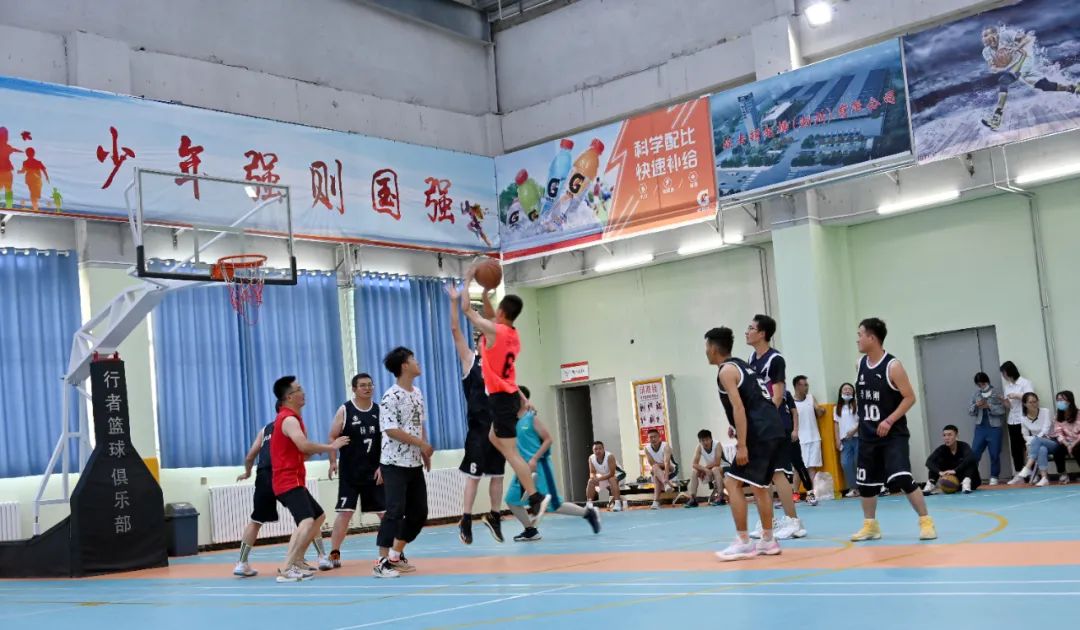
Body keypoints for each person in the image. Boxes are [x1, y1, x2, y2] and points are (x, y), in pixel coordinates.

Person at [460, 261, 550, 523]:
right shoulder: (512, 333)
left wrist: (468, 278)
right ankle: (530, 489)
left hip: (500, 399)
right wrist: (486, 293)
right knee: (494, 438)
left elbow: (467, 309)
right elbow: (492, 317)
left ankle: (535, 496)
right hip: (507, 397)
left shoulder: (495, 332)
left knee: (510, 453)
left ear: (501, 311)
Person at [850, 318, 936, 542]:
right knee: (866, 485)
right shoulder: (860, 364)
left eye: (860, 334)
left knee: (903, 479)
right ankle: (870, 526)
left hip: (892, 435)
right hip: (868, 435)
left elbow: (909, 397)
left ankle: (926, 522)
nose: (857, 339)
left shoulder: (892, 366)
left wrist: (889, 420)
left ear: (872, 338)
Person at [705, 327, 787, 561]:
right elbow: (753, 401)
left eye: (706, 347)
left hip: (759, 433)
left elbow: (739, 407)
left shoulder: (726, 371)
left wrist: (742, 445)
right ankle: (768, 540)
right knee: (760, 486)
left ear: (713, 348)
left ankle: (743, 542)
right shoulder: (742, 365)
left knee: (731, 483)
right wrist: (737, 427)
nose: (706, 352)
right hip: (774, 429)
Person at [270, 376, 350, 582]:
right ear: (289, 397)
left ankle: (297, 560)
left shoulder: (294, 419)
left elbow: (302, 451)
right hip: (287, 481)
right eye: (299, 389)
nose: (303, 392)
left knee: (318, 516)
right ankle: (286, 568)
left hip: (295, 479)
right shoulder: (288, 419)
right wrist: (331, 447)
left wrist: (308, 451)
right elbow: (304, 445)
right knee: (306, 520)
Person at [447, 283, 506, 545]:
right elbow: (455, 330)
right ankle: (466, 518)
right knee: (474, 476)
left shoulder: (500, 366)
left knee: (498, 475)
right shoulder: (471, 361)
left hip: (498, 429)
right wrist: (454, 301)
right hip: (478, 430)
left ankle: (495, 516)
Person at [505, 387, 601, 542]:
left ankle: (588, 513)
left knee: (554, 505)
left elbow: (548, 439)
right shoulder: (511, 420)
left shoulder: (531, 418)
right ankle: (530, 530)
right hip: (523, 469)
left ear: (521, 399)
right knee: (511, 499)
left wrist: (534, 458)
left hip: (540, 467)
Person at [373, 347, 433, 578]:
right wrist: (420, 443)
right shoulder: (390, 397)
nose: (418, 362)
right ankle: (381, 562)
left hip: (414, 463)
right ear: (404, 366)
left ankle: (395, 556)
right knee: (395, 511)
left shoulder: (417, 393)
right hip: (393, 463)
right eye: (413, 359)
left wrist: (424, 451)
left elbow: (419, 423)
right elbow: (391, 430)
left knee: (419, 513)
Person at [745, 314, 806, 539]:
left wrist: (762, 420)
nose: (746, 332)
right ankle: (767, 522)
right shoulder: (752, 359)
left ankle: (793, 522)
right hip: (758, 424)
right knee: (763, 476)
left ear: (762, 333)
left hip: (773, 425)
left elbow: (778, 396)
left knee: (778, 473)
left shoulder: (775, 360)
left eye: (751, 328)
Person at [327, 373, 384, 569]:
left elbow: (388, 441)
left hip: (373, 473)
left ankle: (390, 554)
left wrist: (383, 466)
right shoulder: (345, 410)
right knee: (345, 513)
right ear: (354, 389)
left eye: (370, 385)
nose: (367, 388)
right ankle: (334, 553)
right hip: (350, 473)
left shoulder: (379, 410)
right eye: (362, 385)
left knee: (385, 515)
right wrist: (332, 461)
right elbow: (332, 437)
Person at [979, 26, 1080, 131]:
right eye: (983, 36)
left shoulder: (1006, 35)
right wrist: (1000, 66)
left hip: (1025, 57)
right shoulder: (986, 52)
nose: (985, 38)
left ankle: (997, 118)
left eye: (986, 34)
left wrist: (1017, 48)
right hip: (1014, 66)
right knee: (1044, 86)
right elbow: (993, 68)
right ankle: (1073, 88)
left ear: (996, 34)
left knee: (1004, 80)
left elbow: (1028, 38)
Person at [232, 422, 275, 578]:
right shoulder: (292, 423)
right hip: (283, 473)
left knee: (256, 520)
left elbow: (250, 456)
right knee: (307, 515)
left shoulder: (265, 430)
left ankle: (242, 562)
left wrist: (248, 473)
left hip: (263, 475)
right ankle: (319, 557)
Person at [968, 372, 1007, 486]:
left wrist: (989, 406)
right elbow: (970, 411)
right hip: (980, 427)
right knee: (975, 453)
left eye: (983, 384)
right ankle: (972, 476)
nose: (981, 386)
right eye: (979, 385)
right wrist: (976, 405)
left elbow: (1003, 410)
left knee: (994, 453)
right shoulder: (976, 394)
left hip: (995, 427)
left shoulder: (996, 392)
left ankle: (994, 476)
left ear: (987, 381)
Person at [1009, 392, 1054, 487]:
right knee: (1041, 449)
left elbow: (1045, 430)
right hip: (1038, 445)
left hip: (1052, 441)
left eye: (1035, 401)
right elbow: (1025, 435)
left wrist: (1034, 441)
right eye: (1030, 402)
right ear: (1025, 404)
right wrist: (1034, 442)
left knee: (1037, 441)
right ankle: (1044, 478)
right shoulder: (1023, 418)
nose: (1034, 404)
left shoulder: (1045, 411)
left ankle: (1027, 467)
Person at [1000, 361, 1036, 474]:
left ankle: (1032, 472)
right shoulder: (1007, 387)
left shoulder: (1025, 383)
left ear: (1009, 372)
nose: (1003, 375)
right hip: (1012, 420)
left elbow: (1031, 398)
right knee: (1015, 448)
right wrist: (1004, 401)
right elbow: (1010, 406)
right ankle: (1018, 472)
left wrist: (1017, 395)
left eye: (1003, 373)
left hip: (1024, 419)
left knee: (1028, 446)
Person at [924, 425, 980, 494]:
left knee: (970, 460)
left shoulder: (964, 446)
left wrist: (955, 471)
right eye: (944, 435)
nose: (946, 438)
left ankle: (966, 482)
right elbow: (928, 462)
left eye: (949, 435)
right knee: (935, 462)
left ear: (956, 436)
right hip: (952, 483)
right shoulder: (941, 449)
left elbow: (971, 458)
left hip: (971, 481)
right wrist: (939, 472)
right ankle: (930, 484)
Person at [792, 376, 824, 499]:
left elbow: (819, 412)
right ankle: (795, 493)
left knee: (811, 468)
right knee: (798, 469)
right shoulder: (791, 402)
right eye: (804, 385)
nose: (806, 387)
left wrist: (820, 409)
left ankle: (813, 493)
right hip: (800, 440)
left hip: (814, 438)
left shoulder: (811, 398)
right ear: (797, 386)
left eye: (807, 385)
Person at [784, 390, 815, 506]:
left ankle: (810, 493)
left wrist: (795, 430)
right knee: (779, 469)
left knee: (799, 464)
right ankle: (785, 497)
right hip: (775, 435)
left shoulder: (786, 394)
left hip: (790, 435)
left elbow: (794, 413)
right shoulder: (766, 393)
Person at [685, 429, 726, 508]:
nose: (705, 442)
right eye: (703, 440)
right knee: (694, 471)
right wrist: (704, 470)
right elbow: (694, 464)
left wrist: (704, 469)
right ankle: (693, 498)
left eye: (707, 440)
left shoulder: (717, 444)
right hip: (710, 469)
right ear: (700, 441)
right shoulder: (699, 447)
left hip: (724, 467)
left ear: (711, 439)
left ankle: (721, 497)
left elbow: (717, 463)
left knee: (715, 469)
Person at [834, 383, 860, 498]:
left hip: (858, 438)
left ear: (853, 392)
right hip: (844, 440)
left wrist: (854, 430)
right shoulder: (836, 408)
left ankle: (864, 487)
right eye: (845, 389)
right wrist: (837, 439)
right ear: (840, 392)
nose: (847, 391)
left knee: (859, 462)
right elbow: (836, 424)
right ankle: (853, 488)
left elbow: (862, 420)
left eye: (850, 389)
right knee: (845, 463)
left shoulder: (857, 405)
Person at [644, 429, 678, 509]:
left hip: (671, 470)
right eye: (651, 437)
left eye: (655, 437)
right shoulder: (646, 448)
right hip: (658, 471)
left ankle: (656, 501)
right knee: (655, 470)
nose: (653, 439)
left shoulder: (666, 446)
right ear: (648, 439)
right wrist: (664, 479)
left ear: (659, 437)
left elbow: (667, 463)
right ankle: (656, 501)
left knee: (655, 469)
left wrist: (666, 478)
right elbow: (652, 463)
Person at [586, 441, 624, 511]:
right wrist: (593, 478)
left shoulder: (610, 456)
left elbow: (612, 473)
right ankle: (589, 504)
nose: (598, 451)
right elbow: (592, 472)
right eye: (595, 449)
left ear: (603, 449)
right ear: (593, 450)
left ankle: (617, 504)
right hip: (604, 476)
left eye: (600, 448)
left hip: (619, 475)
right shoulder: (591, 458)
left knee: (612, 479)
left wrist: (599, 479)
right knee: (591, 481)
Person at [1051, 390, 1080, 484]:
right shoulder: (1057, 416)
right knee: (1057, 450)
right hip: (1066, 442)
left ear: (1069, 401)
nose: (1059, 402)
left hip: (1078, 441)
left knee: (1077, 449)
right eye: (1058, 400)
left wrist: (1073, 444)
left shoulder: (1078, 414)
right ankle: (1063, 474)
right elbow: (1058, 433)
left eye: (1062, 400)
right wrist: (1067, 444)